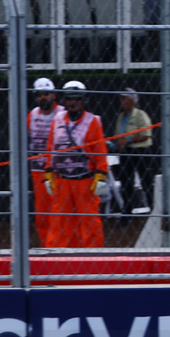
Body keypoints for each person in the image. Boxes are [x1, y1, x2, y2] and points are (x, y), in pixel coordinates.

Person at [44, 80, 108, 247]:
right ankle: (57, 259)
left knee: (90, 223)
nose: (73, 103)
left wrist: (101, 174)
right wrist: (48, 171)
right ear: (64, 100)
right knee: (59, 223)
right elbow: (51, 146)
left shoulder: (93, 121)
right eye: (69, 99)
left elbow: (100, 150)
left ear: (83, 100)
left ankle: (93, 260)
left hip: (85, 182)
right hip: (62, 181)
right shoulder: (57, 120)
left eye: (77, 99)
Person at [27, 77, 61, 245]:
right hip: (38, 172)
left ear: (53, 95)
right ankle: (46, 246)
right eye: (39, 94)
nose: (43, 97)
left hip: (58, 171)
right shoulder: (32, 115)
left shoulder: (62, 113)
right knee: (41, 214)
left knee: (59, 212)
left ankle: (59, 246)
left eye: (46, 94)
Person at [110, 87, 154, 212]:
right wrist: (117, 142)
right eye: (121, 98)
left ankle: (153, 208)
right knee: (125, 182)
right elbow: (118, 133)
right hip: (125, 153)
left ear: (132, 100)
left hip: (140, 151)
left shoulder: (140, 114)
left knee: (146, 181)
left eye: (124, 98)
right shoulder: (120, 116)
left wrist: (128, 140)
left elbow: (146, 134)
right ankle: (127, 212)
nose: (121, 101)